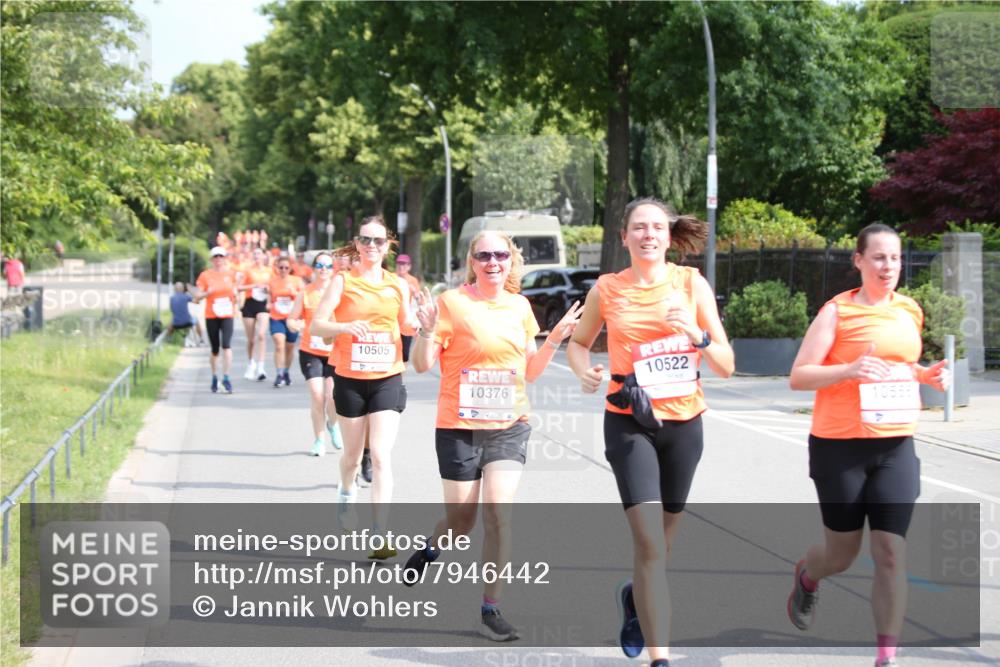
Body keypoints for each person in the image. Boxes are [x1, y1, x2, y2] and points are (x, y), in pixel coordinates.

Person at [566, 197, 734, 667]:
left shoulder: (690, 283)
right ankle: (660, 659)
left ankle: (636, 600)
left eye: (657, 227)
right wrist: (583, 371)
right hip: (629, 421)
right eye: (639, 227)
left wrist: (697, 335)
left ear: (668, 235)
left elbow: (726, 364)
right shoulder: (608, 288)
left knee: (662, 546)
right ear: (624, 237)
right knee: (650, 544)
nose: (648, 235)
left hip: (683, 424)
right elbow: (578, 344)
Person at [403, 230, 582, 641]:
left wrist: (554, 339)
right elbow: (422, 365)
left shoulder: (520, 307)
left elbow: (530, 372)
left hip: (508, 426)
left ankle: (491, 608)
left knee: (498, 514)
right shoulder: (452, 303)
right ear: (472, 261)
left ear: (510, 260)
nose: (492, 262)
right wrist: (426, 331)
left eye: (500, 254)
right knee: (461, 523)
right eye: (483, 255)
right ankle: (432, 547)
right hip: (458, 427)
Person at [786, 223, 950, 667]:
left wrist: (926, 376)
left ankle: (886, 656)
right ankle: (808, 575)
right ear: (858, 261)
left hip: (895, 446)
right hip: (839, 447)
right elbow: (799, 376)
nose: (888, 266)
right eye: (878, 257)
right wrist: (847, 370)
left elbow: (901, 365)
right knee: (840, 555)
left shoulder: (909, 310)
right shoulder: (836, 313)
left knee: (891, 553)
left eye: (895, 258)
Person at [310, 215, 417, 552]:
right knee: (353, 458)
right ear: (357, 244)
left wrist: (423, 323)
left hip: (387, 376)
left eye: (378, 241)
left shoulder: (398, 285)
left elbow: (407, 325)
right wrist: (343, 327)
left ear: (388, 246)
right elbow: (317, 326)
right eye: (366, 240)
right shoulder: (342, 281)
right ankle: (346, 492)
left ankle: (379, 534)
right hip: (350, 378)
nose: (372, 246)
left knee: (381, 456)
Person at [287, 251, 344, 456]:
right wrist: (296, 325)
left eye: (328, 266)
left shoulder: (339, 293)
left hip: (334, 351)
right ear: (314, 268)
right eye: (320, 265)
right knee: (317, 395)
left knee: (333, 397)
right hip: (310, 351)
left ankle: (333, 424)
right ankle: (319, 440)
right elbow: (291, 319)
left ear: (333, 270)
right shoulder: (306, 293)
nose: (323, 269)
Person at [191, 246, 239, 393]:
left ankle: (226, 377)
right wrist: (207, 293)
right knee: (215, 349)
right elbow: (197, 296)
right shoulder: (205, 275)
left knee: (226, 345)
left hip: (227, 315)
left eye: (221, 257)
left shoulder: (231, 274)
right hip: (211, 315)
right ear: (212, 259)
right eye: (216, 257)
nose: (218, 259)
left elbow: (236, 292)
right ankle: (214, 376)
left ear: (225, 259)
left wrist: (237, 300)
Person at [268, 255, 305, 387]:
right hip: (276, 317)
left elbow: (304, 298)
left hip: (292, 319)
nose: (283, 270)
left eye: (286, 268)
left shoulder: (297, 281)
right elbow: (269, 299)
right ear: (277, 268)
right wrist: (268, 304)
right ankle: (279, 374)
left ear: (290, 268)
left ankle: (286, 372)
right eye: (281, 267)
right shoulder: (272, 281)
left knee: (290, 347)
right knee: (279, 343)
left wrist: (294, 293)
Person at [238, 248, 272, 381]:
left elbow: (273, 287)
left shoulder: (270, 271)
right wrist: (253, 286)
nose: (257, 256)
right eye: (255, 254)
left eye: (259, 254)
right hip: (249, 303)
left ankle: (261, 367)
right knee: (251, 339)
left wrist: (268, 289)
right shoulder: (248, 271)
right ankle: (251, 363)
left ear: (264, 256)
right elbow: (239, 287)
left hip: (263, 303)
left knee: (261, 335)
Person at [394, 254, 422, 363]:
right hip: (392, 318)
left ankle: (401, 372)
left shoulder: (412, 280)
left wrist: (415, 293)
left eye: (404, 264)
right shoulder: (390, 277)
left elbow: (420, 301)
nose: (401, 267)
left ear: (409, 267)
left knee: (404, 354)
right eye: (399, 264)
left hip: (406, 318)